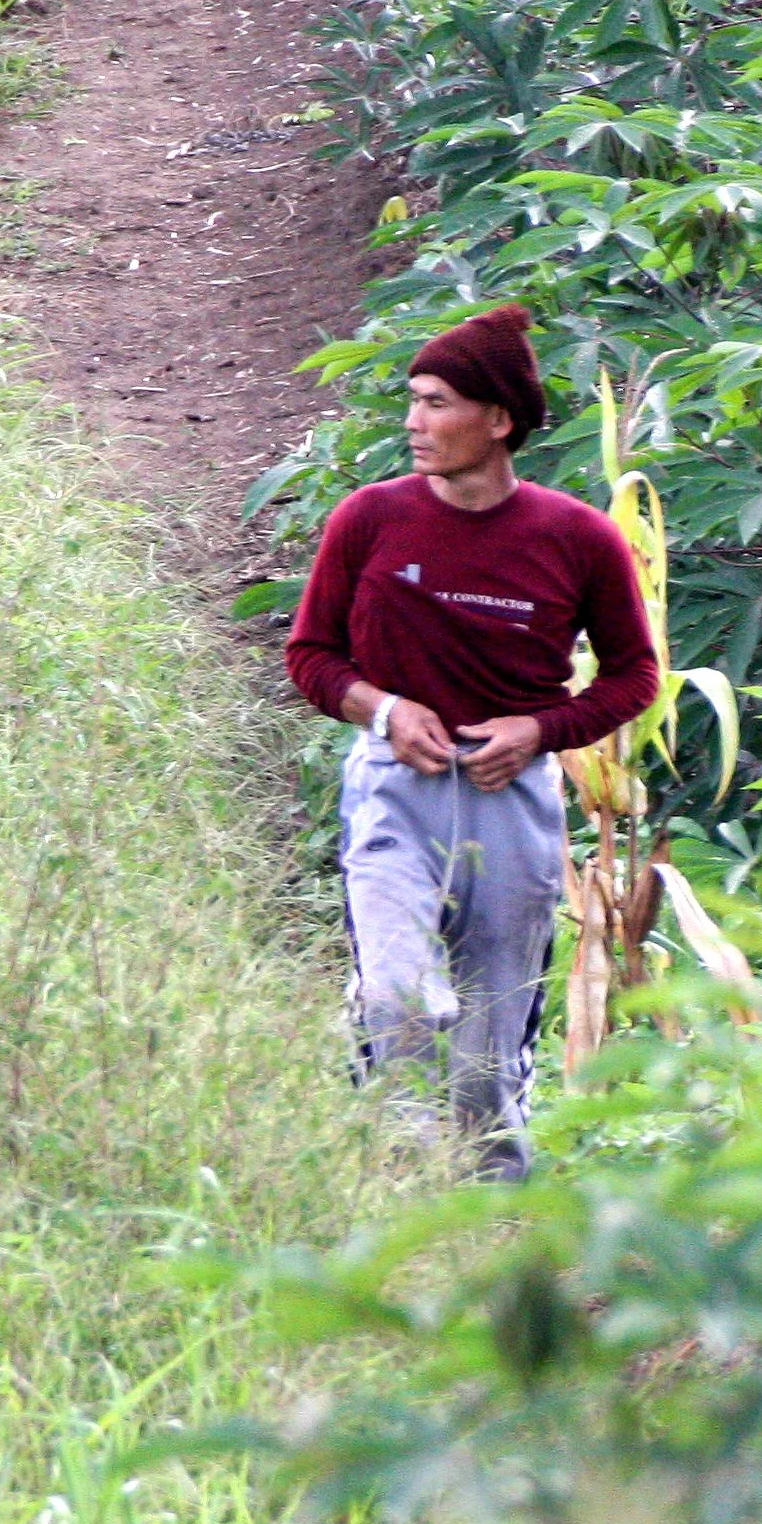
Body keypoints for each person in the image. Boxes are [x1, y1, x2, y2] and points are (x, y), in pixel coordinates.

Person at [286, 303, 660, 1177]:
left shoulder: (577, 538)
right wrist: (381, 710)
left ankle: (496, 1219)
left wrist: (540, 730)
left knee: (489, 1047)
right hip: (392, 788)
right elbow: (309, 656)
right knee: (395, 995)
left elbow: (632, 676)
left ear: (499, 420)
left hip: (513, 800)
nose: (415, 423)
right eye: (413, 401)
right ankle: (394, 1177)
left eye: (439, 402)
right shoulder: (370, 519)